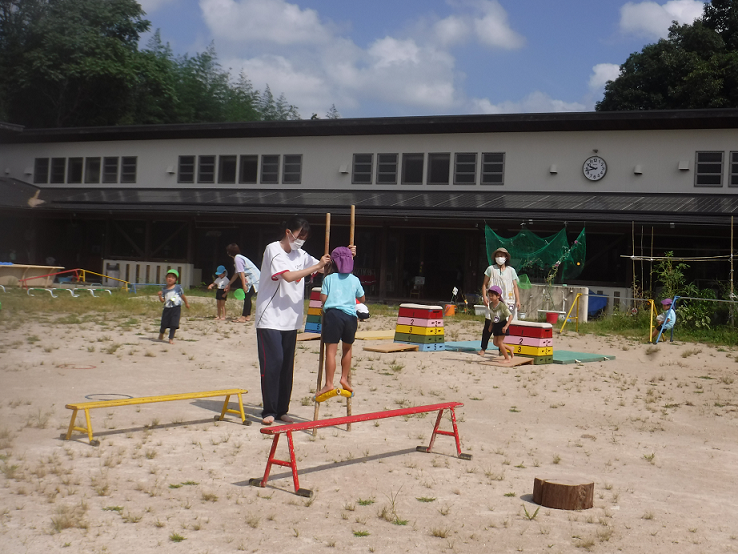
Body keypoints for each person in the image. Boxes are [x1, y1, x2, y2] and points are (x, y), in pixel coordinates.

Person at [255, 217, 350, 426]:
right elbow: (288, 276)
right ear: (289, 232)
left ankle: (281, 410)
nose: (301, 241)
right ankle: (268, 410)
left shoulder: (302, 254)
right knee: (274, 363)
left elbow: (325, 267)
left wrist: (346, 255)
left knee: (287, 365)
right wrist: (315, 266)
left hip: (291, 318)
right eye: (300, 236)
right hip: (270, 317)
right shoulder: (273, 249)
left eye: (305, 238)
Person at [316, 247, 365, 397]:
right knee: (347, 349)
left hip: (333, 315)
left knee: (331, 351)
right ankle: (344, 378)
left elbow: (323, 299)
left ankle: (329, 383)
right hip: (350, 317)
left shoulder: (328, 279)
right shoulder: (354, 279)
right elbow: (362, 299)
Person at [225, 244, 260, 322]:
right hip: (254, 279)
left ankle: (243, 317)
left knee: (247, 297)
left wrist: (243, 285)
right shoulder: (239, 258)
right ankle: (247, 315)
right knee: (248, 297)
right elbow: (236, 274)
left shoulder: (237, 259)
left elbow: (242, 273)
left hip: (254, 280)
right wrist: (229, 284)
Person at [482, 247, 521, 319]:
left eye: (502, 255)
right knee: (492, 321)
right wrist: (484, 297)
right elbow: (484, 284)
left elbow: (515, 286)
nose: (499, 257)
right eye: (498, 255)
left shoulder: (511, 270)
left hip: (508, 299)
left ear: (506, 258)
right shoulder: (490, 269)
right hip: (494, 300)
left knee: (508, 321)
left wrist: (518, 300)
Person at [479, 285, 513, 361]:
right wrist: (491, 325)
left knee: (500, 343)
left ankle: (507, 358)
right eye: (489, 295)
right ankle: (510, 348)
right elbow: (493, 316)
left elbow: (510, 316)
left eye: (492, 295)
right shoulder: (491, 305)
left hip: (503, 324)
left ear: (498, 296)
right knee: (495, 343)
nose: (490, 297)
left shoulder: (502, 306)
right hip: (496, 325)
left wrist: (506, 326)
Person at [157, 269, 190, 344]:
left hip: (176, 308)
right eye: (168, 277)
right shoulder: (164, 289)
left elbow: (183, 296)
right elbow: (163, 300)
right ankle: (161, 333)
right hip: (167, 308)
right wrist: (159, 296)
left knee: (174, 323)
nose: (170, 279)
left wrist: (186, 303)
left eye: (172, 277)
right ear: (166, 278)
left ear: (176, 280)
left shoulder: (178, 288)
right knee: (164, 323)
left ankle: (170, 338)